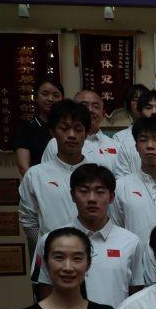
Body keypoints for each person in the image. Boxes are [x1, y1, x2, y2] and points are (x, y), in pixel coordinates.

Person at [33, 164, 145, 306]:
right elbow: (44, 291)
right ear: (73, 195)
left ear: (111, 197)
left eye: (100, 192)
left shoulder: (131, 242)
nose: (92, 199)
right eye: (84, 191)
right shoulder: (50, 241)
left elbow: (136, 294)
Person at [18, 99, 90, 253]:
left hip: (92, 256)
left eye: (78, 129)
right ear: (52, 131)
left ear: (86, 134)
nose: (72, 135)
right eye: (64, 128)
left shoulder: (97, 175)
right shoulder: (35, 175)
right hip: (50, 258)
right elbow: (28, 220)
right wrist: (47, 248)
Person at [111, 116, 156, 246]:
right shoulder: (121, 186)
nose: (150, 146)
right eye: (143, 140)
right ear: (136, 146)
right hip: (133, 257)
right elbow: (116, 230)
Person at [41, 90, 119, 171]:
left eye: (96, 106)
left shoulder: (116, 146)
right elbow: (46, 173)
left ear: (103, 113)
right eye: (84, 105)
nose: (90, 110)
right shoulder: (54, 143)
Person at [14, 76, 64, 175]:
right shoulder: (26, 128)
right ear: (36, 97)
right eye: (45, 94)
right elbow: (23, 167)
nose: (50, 99)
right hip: (38, 181)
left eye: (55, 95)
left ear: (62, 99)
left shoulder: (68, 128)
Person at [111, 84, 150, 160]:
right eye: (135, 100)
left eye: (143, 99)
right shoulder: (119, 138)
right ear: (128, 105)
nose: (140, 103)